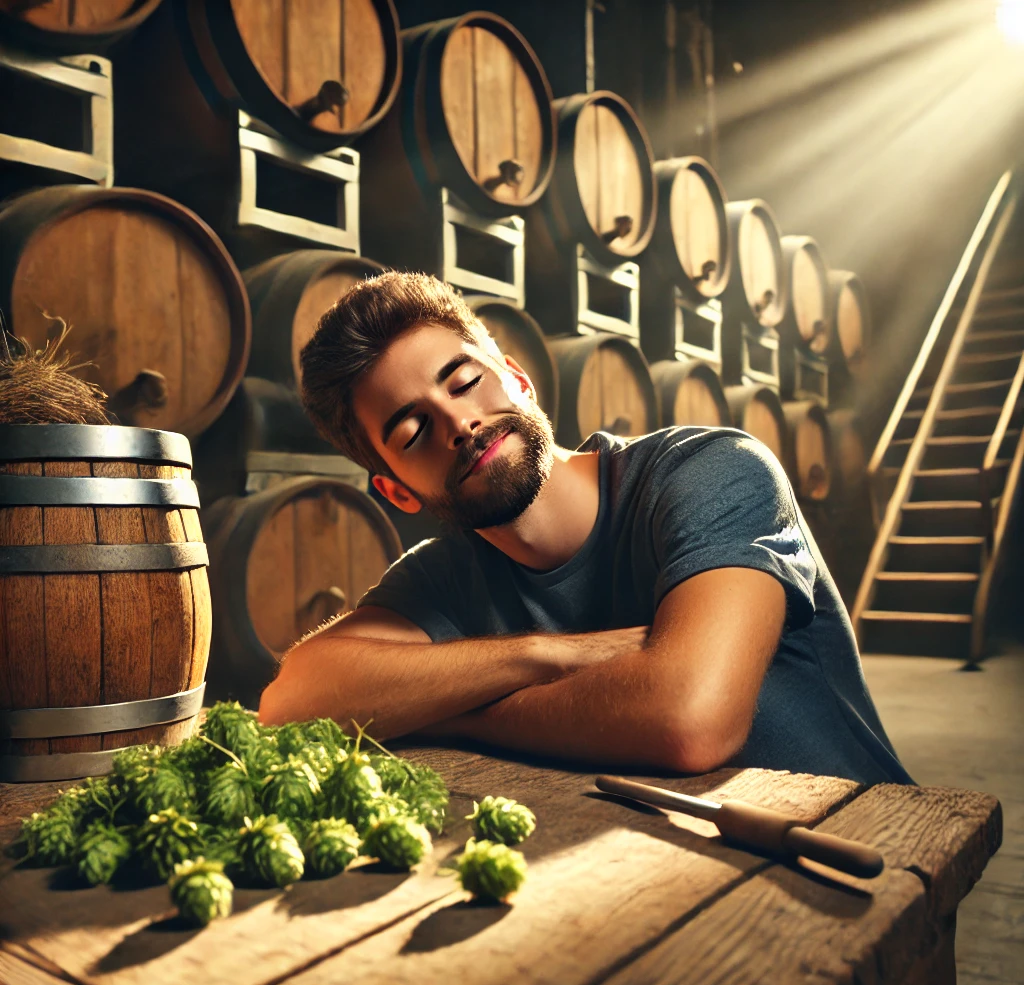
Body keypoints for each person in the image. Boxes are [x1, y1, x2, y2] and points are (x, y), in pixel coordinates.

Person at [258, 271, 913, 785]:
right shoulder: (443, 576)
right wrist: (546, 655)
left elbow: (688, 718)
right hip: (686, 888)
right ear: (398, 490)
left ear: (518, 379)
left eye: (463, 382)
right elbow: (292, 698)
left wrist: (451, 709)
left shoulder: (712, 471)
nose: (458, 424)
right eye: (413, 430)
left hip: (865, 858)